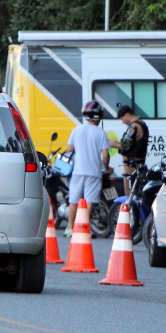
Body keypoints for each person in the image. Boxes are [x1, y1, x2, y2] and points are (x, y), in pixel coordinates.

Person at [65, 101, 111, 237]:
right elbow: (106, 155)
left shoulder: (77, 130)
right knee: (89, 200)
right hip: (94, 172)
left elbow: (69, 149)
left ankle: (69, 228)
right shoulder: (101, 133)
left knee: (73, 199)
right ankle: (82, 227)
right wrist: (106, 167)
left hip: (78, 170)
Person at [109, 105, 149, 196]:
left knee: (130, 194)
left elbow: (125, 146)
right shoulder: (142, 123)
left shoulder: (134, 126)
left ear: (127, 115)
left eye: (122, 119)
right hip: (138, 164)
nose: (123, 122)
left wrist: (113, 144)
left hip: (132, 166)